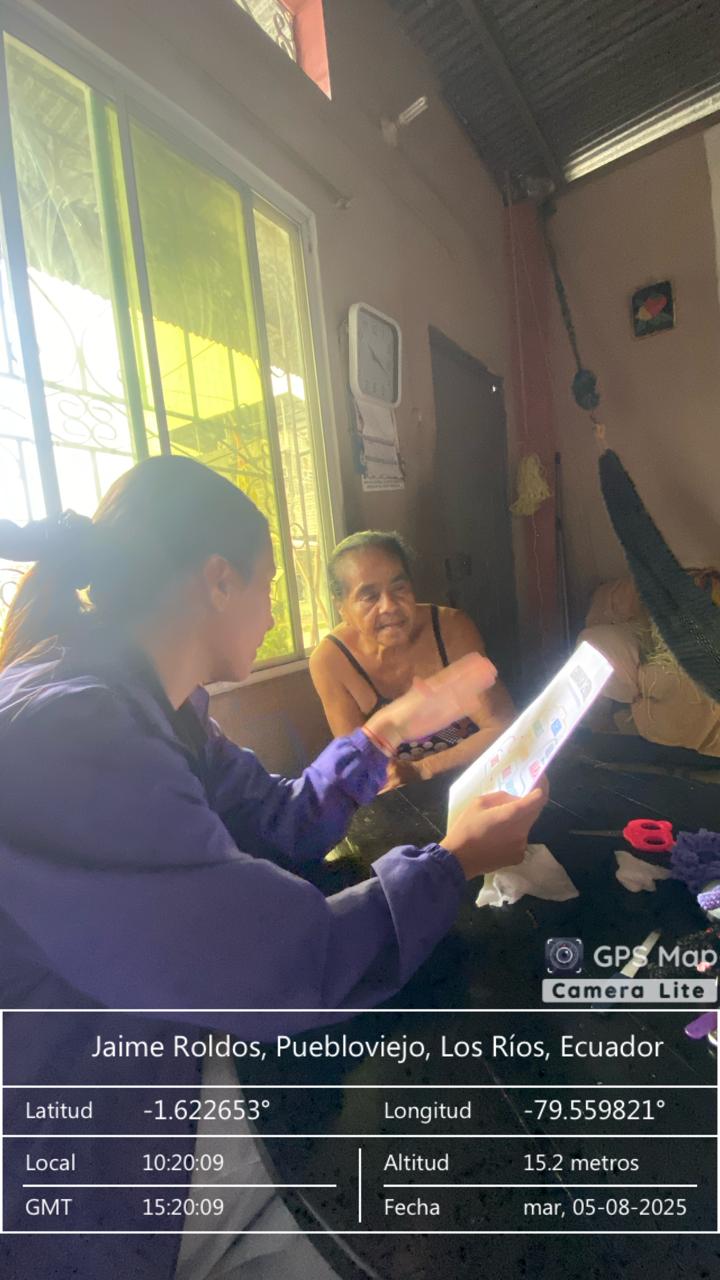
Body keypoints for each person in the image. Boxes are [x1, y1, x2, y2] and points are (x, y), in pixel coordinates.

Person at [0, 457, 544, 1280]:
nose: (271, 614)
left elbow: (278, 821)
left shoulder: (154, 703)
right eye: (269, 586)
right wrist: (454, 861)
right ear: (220, 580)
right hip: (89, 1158)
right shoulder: (71, 732)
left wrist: (386, 731)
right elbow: (280, 964)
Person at [310, 531, 516, 788]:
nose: (389, 606)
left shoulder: (451, 629)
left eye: (399, 588)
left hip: (477, 776)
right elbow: (358, 765)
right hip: (397, 796)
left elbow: (502, 726)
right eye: (369, 596)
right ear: (341, 606)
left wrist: (422, 769)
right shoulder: (331, 660)